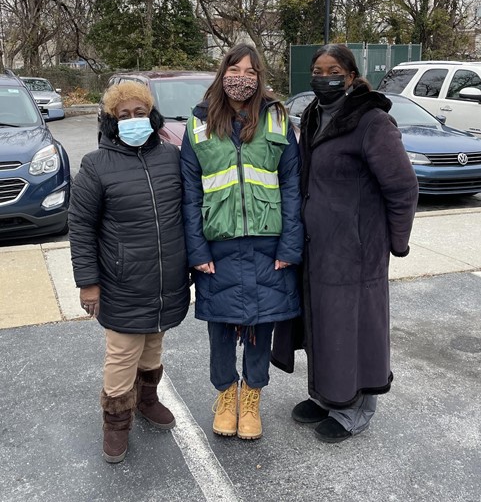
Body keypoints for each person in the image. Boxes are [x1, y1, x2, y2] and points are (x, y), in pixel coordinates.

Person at [272, 43, 419, 443]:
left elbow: (403, 187)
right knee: (325, 325)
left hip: (357, 252)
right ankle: (328, 397)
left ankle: (357, 409)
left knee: (356, 329)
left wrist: (396, 242)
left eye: (333, 69)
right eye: (317, 70)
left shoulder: (372, 122)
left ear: (352, 76)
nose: (324, 77)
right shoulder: (316, 115)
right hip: (319, 249)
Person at [180, 43, 303, 440]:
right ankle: (225, 395)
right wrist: (196, 250)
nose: (243, 78)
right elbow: (189, 192)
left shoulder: (277, 120)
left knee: (260, 327)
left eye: (251, 72)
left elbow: (292, 186)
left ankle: (251, 399)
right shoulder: (198, 124)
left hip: (268, 246)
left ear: (260, 77)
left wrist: (290, 246)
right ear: (223, 72)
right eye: (236, 69)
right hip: (218, 247)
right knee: (219, 328)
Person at [68, 81, 190, 463]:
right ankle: (116, 422)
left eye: (140, 113)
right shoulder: (96, 165)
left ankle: (147, 399)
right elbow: (81, 226)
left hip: (165, 279)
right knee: (122, 353)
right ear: (111, 121)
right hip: (122, 282)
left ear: (151, 116)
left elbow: (188, 213)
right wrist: (89, 284)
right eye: (124, 115)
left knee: (153, 343)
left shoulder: (172, 157)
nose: (133, 120)